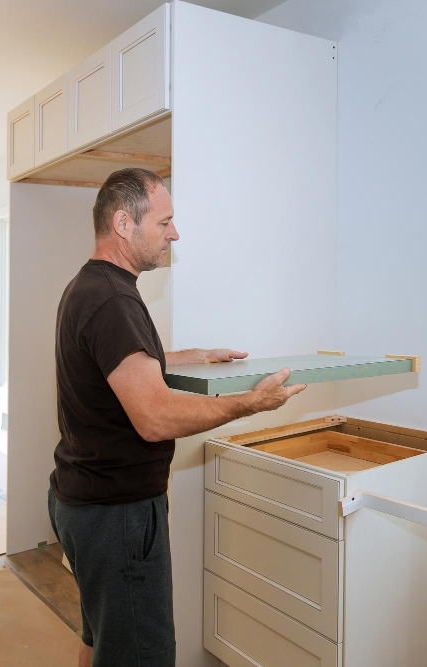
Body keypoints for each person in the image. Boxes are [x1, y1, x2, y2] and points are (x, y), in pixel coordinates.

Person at [47, 168, 306, 667]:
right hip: (117, 516)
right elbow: (155, 418)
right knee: (139, 655)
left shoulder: (91, 286)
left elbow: (120, 363)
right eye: (164, 222)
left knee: (99, 639)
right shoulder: (113, 300)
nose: (175, 233)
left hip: (82, 503)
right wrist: (249, 403)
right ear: (124, 224)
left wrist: (193, 356)